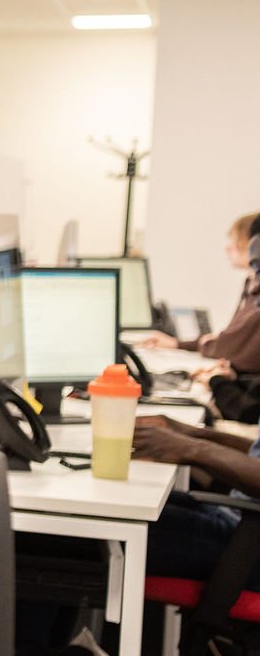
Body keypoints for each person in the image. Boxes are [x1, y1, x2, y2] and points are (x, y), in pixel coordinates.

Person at [133, 415, 260, 590]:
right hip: (243, 520)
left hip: (249, 548)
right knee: (131, 505)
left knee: (105, 533)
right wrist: (197, 435)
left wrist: (192, 448)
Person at [137, 211, 260, 376]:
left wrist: (208, 344)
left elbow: (230, 347)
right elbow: (229, 340)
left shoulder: (256, 289)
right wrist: (177, 344)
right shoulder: (250, 284)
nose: (227, 247)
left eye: (234, 239)